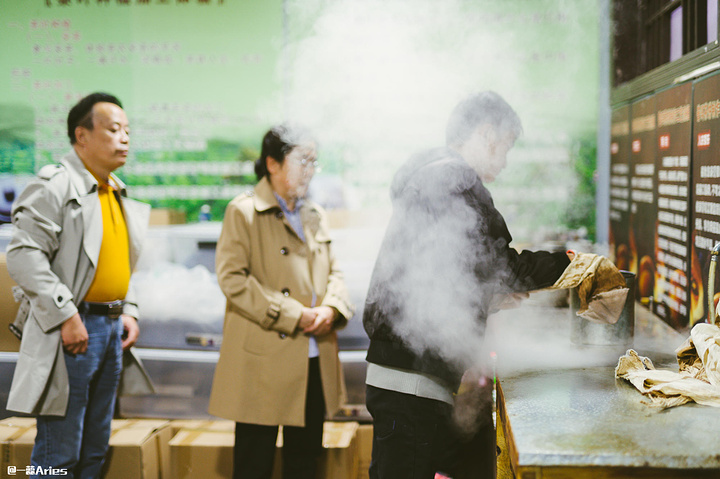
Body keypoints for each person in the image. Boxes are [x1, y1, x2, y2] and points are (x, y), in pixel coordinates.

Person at [362, 91, 572, 478]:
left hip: (403, 378)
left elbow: (448, 273)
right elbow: (501, 264)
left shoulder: (431, 174)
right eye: (506, 147)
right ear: (488, 133)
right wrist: (571, 265)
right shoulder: (455, 178)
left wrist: (487, 296)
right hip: (411, 380)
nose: (505, 162)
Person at [5, 92, 151, 478]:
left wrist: (129, 310)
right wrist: (66, 314)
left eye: (127, 131)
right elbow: (23, 255)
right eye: (113, 129)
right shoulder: (55, 186)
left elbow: (118, 261)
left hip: (111, 329)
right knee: (58, 453)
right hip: (73, 330)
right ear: (81, 136)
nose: (124, 138)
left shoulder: (113, 190)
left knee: (94, 450)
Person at [208, 124, 354, 479]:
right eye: (302, 159)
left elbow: (335, 273)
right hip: (264, 360)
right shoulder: (243, 212)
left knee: (305, 464)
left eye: (314, 162)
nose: (310, 170)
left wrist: (331, 309)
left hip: (313, 356)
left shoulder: (314, 214)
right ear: (272, 163)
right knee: (253, 464)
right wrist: (295, 314)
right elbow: (232, 278)